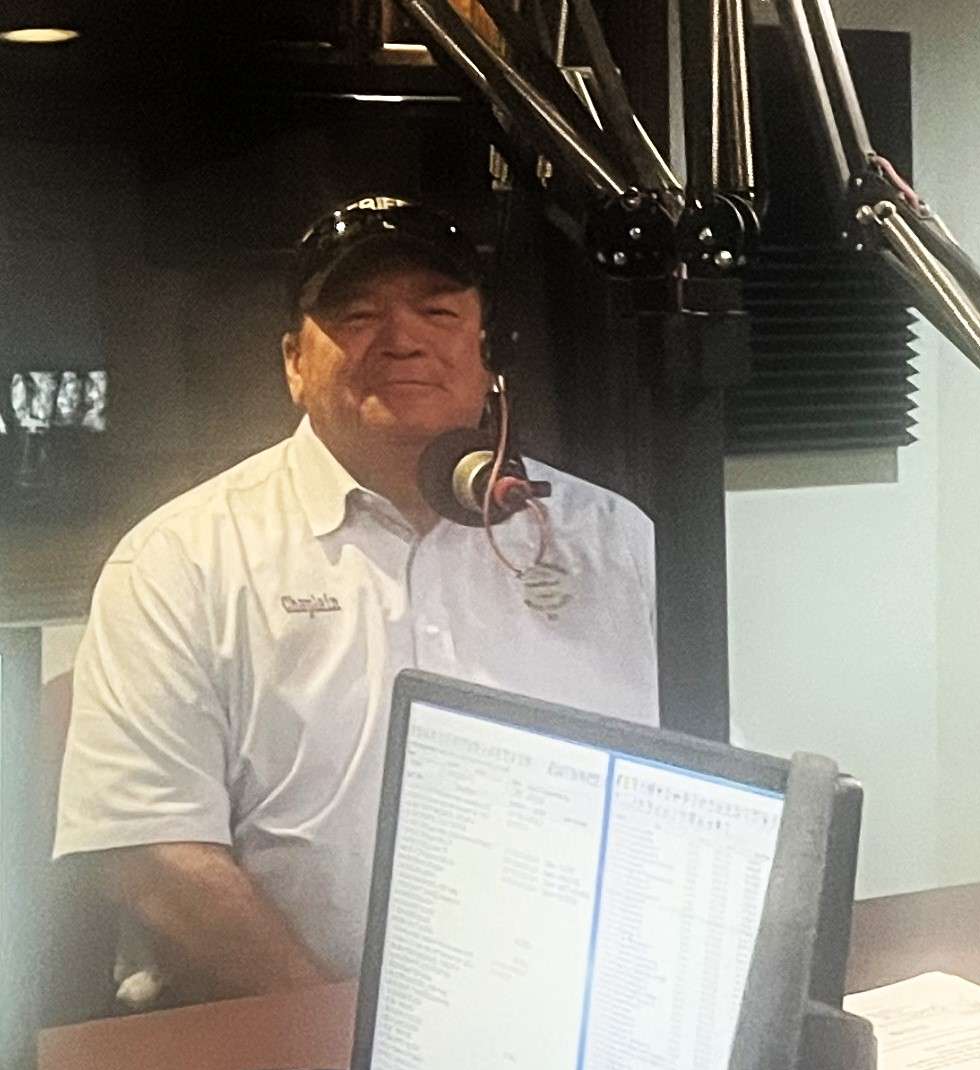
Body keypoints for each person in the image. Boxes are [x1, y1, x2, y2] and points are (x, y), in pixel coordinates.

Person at [54, 198, 658, 1000]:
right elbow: (150, 855)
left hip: (568, 1019)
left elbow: (707, 773)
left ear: (488, 356)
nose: (402, 337)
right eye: (357, 314)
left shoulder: (611, 539)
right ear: (294, 364)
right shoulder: (180, 558)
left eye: (437, 311)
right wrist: (340, 1033)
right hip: (278, 1038)